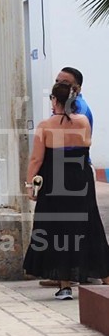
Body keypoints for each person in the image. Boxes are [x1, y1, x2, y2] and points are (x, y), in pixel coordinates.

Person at [24, 82, 109, 300]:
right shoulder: (83, 122)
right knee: (89, 226)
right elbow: (86, 145)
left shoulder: (45, 126)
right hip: (81, 179)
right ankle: (106, 278)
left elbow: (37, 159)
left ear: (55, 100)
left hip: (55, 182)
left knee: (58, 229)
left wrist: (29, 185)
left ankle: (64, 285)